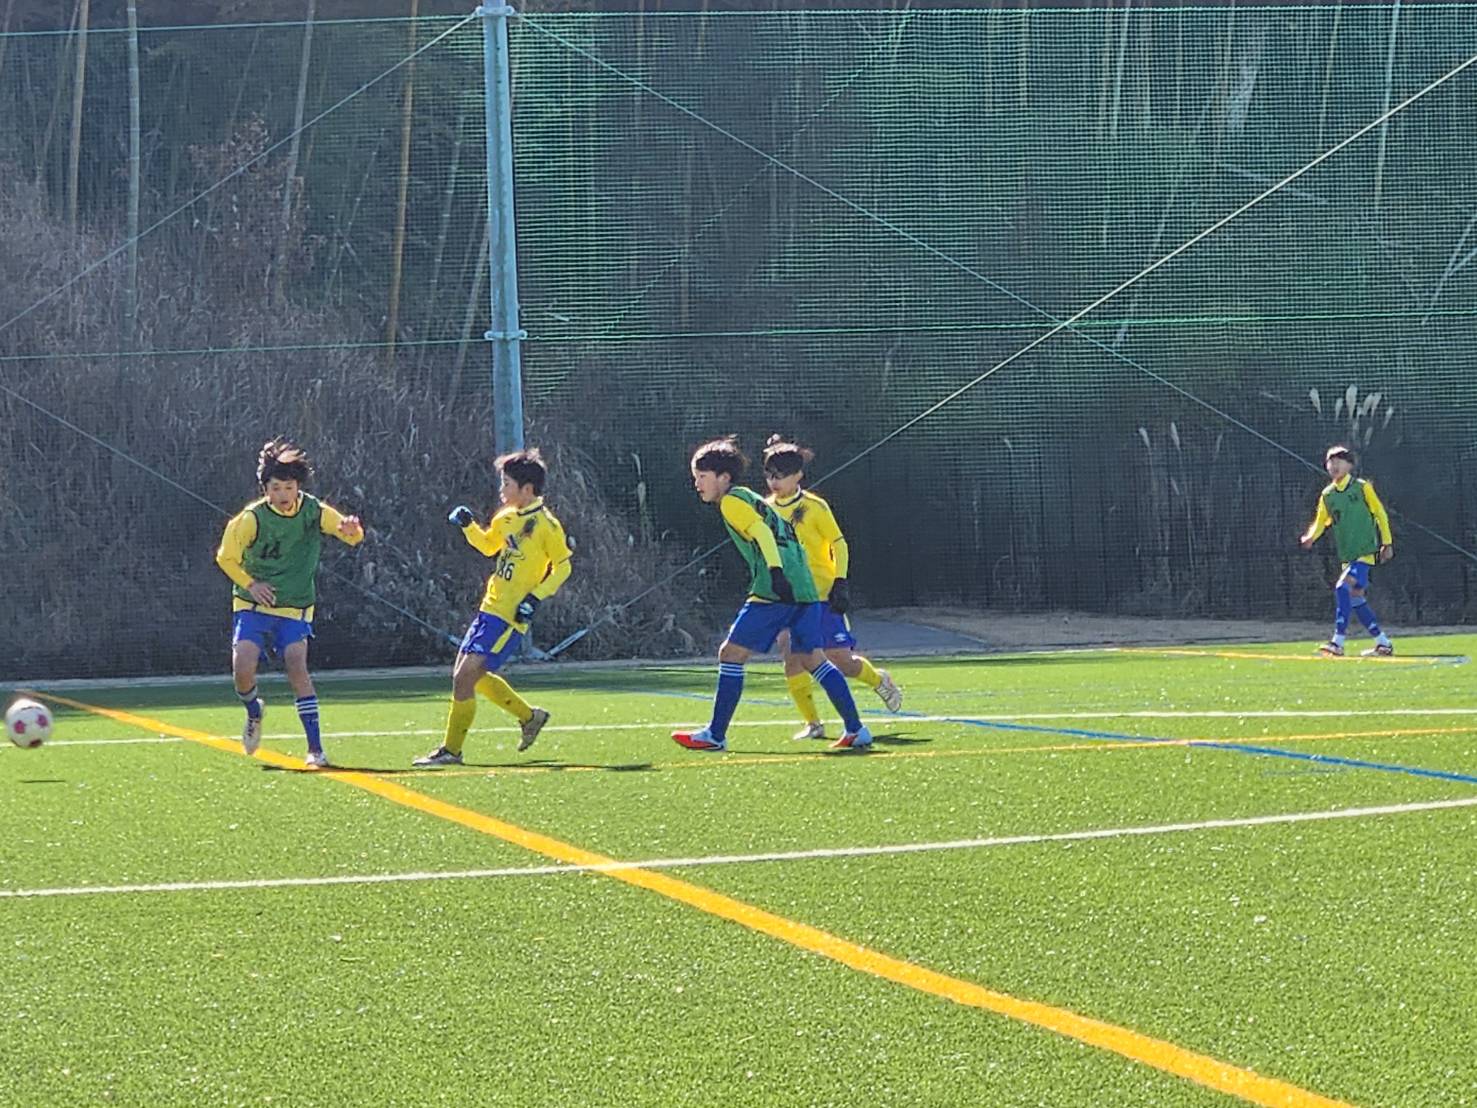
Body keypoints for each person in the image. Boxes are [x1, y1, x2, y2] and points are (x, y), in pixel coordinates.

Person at [671, 438, 872, 752]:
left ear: (724, 477)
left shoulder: (731, 502)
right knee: (812, 658)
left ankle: (715, 735)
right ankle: (856, 729)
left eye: (702, 476)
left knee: (730, 654)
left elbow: (764, 533)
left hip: (777, 590)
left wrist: (776, 573)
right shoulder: (752, 497)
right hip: (805, 587)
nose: (697, 484)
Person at [414, 448, 572, 767]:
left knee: (464, 677)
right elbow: (489, 546)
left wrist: (534, 598)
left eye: (507, 484)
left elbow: (563, 566)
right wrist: (469, 526)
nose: (502, 490)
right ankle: (530, 717)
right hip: (489, 609)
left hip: (510, 617)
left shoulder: (547, 526)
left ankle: (452, 750)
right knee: (470, 676)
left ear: (527, 489)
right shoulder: (506, 517)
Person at [215, 438, 364, 768]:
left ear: (298, 487)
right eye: (276, 488)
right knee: (242, 669)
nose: (283, 495)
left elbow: (349, 535)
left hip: (295, 607)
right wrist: (251, 585)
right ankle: (254, 711)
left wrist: (352, 530)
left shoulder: (312, 510)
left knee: (297, 664)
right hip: (253, 606)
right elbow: (225, 558)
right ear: (265, 488)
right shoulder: (251, 519)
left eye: (289, 487)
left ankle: (315, 749)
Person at [762, 435, 901, 740]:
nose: (774, 482)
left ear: (798, 475)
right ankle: (813, 723)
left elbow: (839, 543)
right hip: (789, 598)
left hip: (821, 595)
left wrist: (840, 581)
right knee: (790, 654)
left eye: (781, 475)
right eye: (769, 475)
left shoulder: (815, 507)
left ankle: (879, 680)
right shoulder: (765, 510)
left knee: (841, 660)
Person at [1299, 444, 1395, 657]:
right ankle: (1383, 643)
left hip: (1365, 553)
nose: (1334, 466)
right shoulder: (1328, 495)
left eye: (1339, 461)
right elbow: (1321, 522)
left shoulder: (1361, 487)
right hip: (1348, 556)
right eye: (1330, 462)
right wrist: (1310, 537)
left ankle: (1338, 642)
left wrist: (1386, 543)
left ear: (1350, 465)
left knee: (1342, 588)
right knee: (1356, 599)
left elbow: (1380, 513)